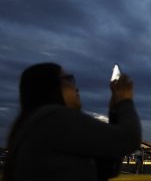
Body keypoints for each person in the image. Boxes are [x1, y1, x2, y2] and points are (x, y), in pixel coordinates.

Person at [2, 63, 141, 181]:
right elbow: (129, 139)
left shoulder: (37, 126)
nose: (76, 88)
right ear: (51, 87)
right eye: (69, 79)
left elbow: (108, 167)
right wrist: (125, 100)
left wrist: (114, 111)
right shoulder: (53, 119)